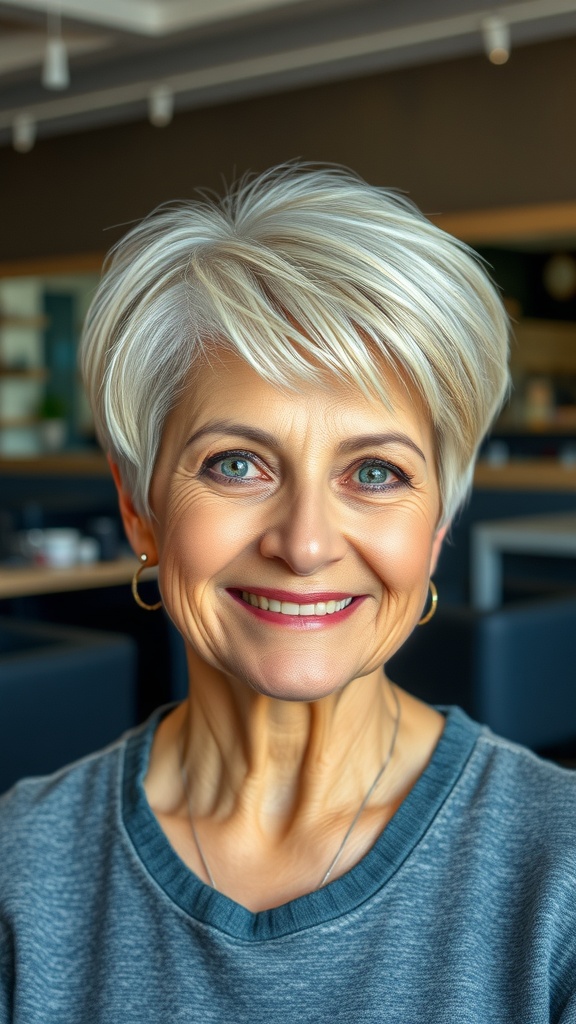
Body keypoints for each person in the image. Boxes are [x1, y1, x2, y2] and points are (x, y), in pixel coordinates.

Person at [1, 164, 575, 1024]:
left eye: (375, 473)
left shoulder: (559, 876)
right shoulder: (19, 870)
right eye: (237, 464)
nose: (304, 545)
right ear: (139, 507)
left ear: (436, 529)